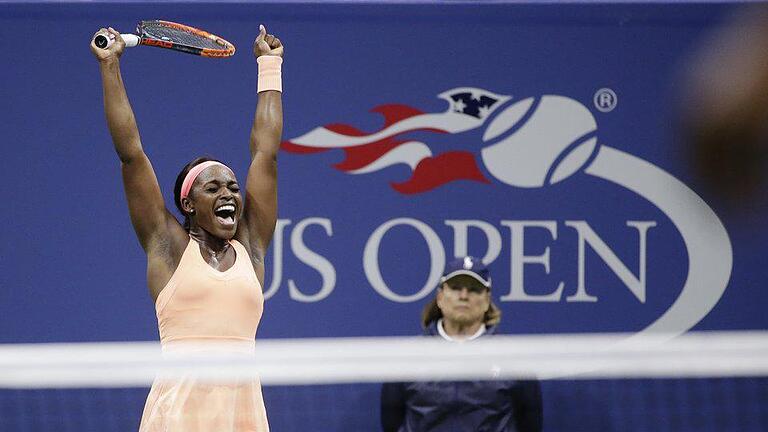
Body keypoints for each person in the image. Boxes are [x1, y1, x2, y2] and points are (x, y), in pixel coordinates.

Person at [90, 24, 283, 432]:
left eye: (232, 186)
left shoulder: (252, 245)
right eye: (213, 188)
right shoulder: (168, 246)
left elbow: (265, 153)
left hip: (243, 411)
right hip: (179, 411)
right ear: (188, 204)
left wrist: (270, 66)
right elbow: (131, 155)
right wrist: (110, 67)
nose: (229, 193)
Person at [380, 257, 543, 432]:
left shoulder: (515, 359)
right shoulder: (406, 358)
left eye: (474, 290)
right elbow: (392, 423)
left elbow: (530, 424)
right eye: (456, 288)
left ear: (487, 300)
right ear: (440, 297)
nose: (464, 296)